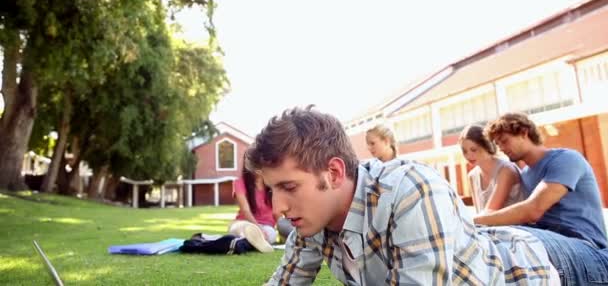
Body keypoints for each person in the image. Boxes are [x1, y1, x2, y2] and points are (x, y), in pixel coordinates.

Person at [247, 106, 558, 285]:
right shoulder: (313, 219)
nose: (278, 208)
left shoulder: (411, 190)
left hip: (535, 266)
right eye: (273, 190)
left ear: (334, 173)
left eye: (288, 187)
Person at [476, 112, 608, 284]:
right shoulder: (524, 175)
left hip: (588, 249)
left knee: (513, 240)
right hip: (550, 246)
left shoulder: (566, 159)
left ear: (524, 132)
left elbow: (533, 210)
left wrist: (472, 221)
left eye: (504, 140)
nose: (501, 147)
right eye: (497, 143)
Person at [228, 162, 295, 253]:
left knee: (270, 235)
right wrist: (258, 228)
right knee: (241, 227)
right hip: (244, 222)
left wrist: (281, 228)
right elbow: (245, 210)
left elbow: (277, 212)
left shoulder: (273, 184)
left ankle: (249, 241)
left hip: (266, 226)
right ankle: (252, 239)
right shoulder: (239, 182)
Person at [459, 124, 524, 213]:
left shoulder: (506, 170)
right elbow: (479, 213)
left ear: (486, 146)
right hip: (489, 226)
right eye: (464, 151)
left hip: (516, 226)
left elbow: (490, 211)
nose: (468, 155)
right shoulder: (472, 176)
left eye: (474, 150)